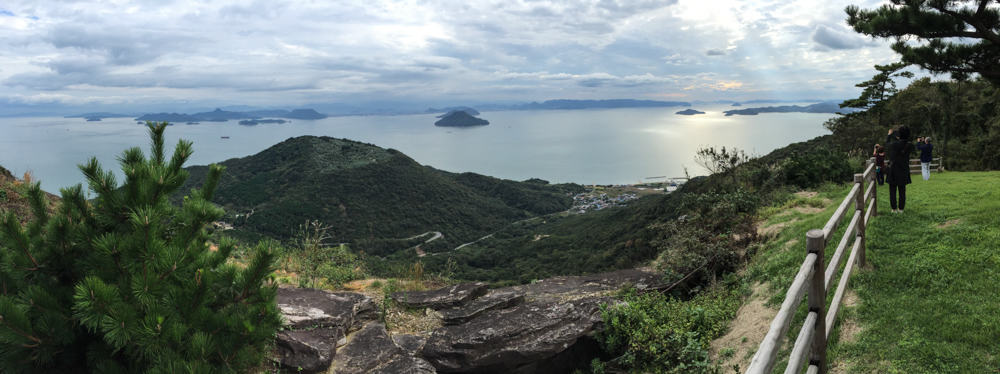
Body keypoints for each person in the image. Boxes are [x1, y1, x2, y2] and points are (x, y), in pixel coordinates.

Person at [885, 126, 914, 213]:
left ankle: (894, 209)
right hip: (904, 169)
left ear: (899, 134)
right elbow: (902, 142)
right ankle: (901, 209)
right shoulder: (910, 145)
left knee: (892, 190)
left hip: (893, 169)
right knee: (902, 190)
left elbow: (887, 145)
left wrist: (889, 135)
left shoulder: (894, 144)